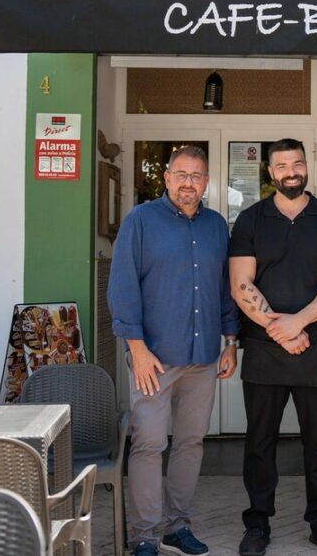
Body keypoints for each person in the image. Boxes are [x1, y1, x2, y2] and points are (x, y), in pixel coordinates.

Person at [108, 146, 240, 556]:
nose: (188, 183)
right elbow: (123, 287)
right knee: (148, 443)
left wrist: (231, 341)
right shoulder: (141, 222)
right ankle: (144, 535)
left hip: (203, 357)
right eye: (181, 174)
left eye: (197, 176)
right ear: (166, 178)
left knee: (190, 443)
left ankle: (177, 526)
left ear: (207, 182)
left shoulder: (218, 226)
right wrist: (137, 349)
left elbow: (224, 290)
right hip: (154, 358)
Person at [228, 138, 317, 556]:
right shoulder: (250, 219)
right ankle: (258, 522)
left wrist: (299, 322)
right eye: (282, 166)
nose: (291, 172)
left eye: (297, 163)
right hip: (264, 350)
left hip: (316, 348)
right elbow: (240, 283)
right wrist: (279, 328)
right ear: (270, 172)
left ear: (306, 166)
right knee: (259, 443)